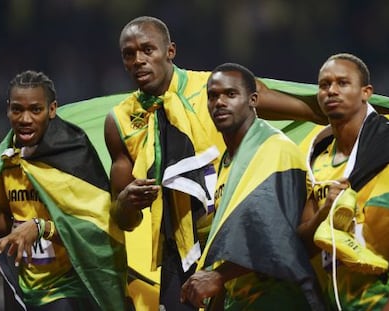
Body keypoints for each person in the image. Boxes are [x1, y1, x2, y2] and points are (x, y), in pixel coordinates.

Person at [104, 16, 329, 310]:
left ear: (170, 51)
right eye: (129, 54)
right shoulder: (119, 121)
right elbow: (122, 217)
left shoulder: (218, 90)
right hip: (179, 252)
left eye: (148, 50)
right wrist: (129, 203)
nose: (139, 60)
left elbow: (309, 110)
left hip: (235, 237)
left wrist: (365, 113)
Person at [0, 70, 128, 310]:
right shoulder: (7, 160)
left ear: (52, 109)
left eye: (35, 110)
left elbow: (97, 227)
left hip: (67, 288)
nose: (25, 119)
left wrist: (41, 228)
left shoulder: (73, 156)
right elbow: (9, 223)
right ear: (8, 109)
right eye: (17, 109)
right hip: (22, 287)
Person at [179, 63, 325, 310]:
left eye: (230, 94)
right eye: (213, 96)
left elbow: (278, 237)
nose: (220, 103)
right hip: (242, 301)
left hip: (281, 299)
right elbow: (232, 246)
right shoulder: (227, 165)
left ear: (253, 99)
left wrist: (219, 276)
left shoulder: (274, 149)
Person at [297, 53, 389, 310]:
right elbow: (302, 246)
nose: (332, 91)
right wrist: (324, 212)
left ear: (366, 92)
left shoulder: (387, 144)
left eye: (342, 83)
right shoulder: (315, 161)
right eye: (324, 85)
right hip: (338, 301)